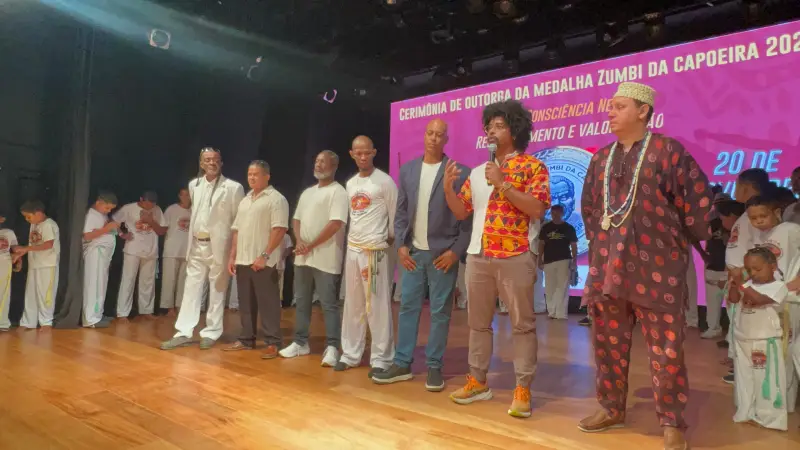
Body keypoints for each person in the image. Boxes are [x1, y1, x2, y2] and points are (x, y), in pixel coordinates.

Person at [578, 82, 712, 449]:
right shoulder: (600, 158)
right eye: (610, 106)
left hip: (659, 270)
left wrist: (680, 243)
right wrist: (603, 246)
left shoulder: (668, 151)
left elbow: (696, 204)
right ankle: (611, 408)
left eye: (619, 106)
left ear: (643, 111)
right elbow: (590, 207)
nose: (610, 112)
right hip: (608, 269)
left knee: (666, 351)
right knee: (606, 346)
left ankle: (671, 421)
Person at [443, 100, 551, 418]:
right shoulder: (479, 172)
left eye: (499, 126)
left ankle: (522, 388)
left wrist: (503, 183)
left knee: (522, 326)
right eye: (489, 126)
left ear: (515, 130)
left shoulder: (533, 167)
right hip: (479, 256)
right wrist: (448, 190)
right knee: (477, 324)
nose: (491, 131)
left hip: (516, 255)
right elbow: (461, 212)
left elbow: (537, 209)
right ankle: (477, 381)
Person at [372, 118, 471, 391]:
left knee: (440, 313)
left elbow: (467, 220)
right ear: (424, 135)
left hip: (443, 256)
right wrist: (401, 245)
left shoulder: (459, 172)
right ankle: (402, 363)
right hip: (413, 254)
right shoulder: (408, 170)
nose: (434, 138)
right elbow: (402, 212)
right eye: (430, 133)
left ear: (446, 139)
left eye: (440, 134)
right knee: (407, 308)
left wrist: (455, 252)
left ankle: (434, 366)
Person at [161, 147, 244, 350]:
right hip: (197, 243)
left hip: (219, 246)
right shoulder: (194, 185)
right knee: (190, 289)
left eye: (215, 159)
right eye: (207, 160)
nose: (211, 163)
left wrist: (234, 251)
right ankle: (183, 331)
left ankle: (212, 331)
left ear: (221, 162)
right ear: (201, 163)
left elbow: (239, 221)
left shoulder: (233, 187)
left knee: (217, 289)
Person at [336, 135, 398, 376]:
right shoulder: (350, 184)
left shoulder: (385, 182)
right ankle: (351, 354)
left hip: (375, 252)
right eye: (358, 153)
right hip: (353, 250)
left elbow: (394, 218)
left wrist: (384, 243)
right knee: (353, 305)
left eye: (367, 152)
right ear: (352, 154)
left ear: (374, 152)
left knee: (377, 305)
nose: (363, 156)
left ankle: (382, 357)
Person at [280, 150, 348, 366]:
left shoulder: (338, 192)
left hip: (326, 257)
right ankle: (300, 342)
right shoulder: (307, 192)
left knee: (328, 303)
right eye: (317, 161)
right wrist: (300, 241)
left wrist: (311, 245)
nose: (318, 165)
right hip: (303, 257)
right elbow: (296, 219)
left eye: (323, 162)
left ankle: (332, 346)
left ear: (334, 166)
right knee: (301, 301)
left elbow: (335, 224)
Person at [224, 160, 289, 358]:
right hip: (243, 259)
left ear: (267, 176)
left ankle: (273, 342)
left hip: (264, 261)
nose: (251, 177)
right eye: (249, 174)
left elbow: (279, 229)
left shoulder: (276, 199)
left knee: (268, 303)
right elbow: (236, 230)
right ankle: (246, 339)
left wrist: (265, 255)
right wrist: (232, 256)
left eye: (256, 174)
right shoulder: (245, 200)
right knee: (245, 303)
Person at [745, 194, 800, 412]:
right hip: (770, 299)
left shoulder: (790, 230)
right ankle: (779, 402)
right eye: (753, 218)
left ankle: (785, 401)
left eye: (763, 215)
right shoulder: (759, 237)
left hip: (789, 298)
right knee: (776, 351)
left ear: (776, 212)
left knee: (787, 349)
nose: (759, 221)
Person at [729, 247, 789, 431]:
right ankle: (746, 412)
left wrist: (742, 284)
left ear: (773, 266)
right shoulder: (747, 284)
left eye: (757, 269)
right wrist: (734, 284)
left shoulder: (778, 287)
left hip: (764, 341)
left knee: (765, 378)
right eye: (749, 269)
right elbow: (733, 299)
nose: (753, 273)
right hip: (743, 338)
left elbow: (760, 300)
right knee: (744, 378)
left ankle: (769, 418)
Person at [113, 191, 167, 321]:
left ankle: (146, 311)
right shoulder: (129, 208)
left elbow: (162, 231)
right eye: (147, 204)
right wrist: (122, 234)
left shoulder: (157, 210)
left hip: (150, 250)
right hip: (132, 249)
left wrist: (151, 221)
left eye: (152, 205)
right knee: (128, 281)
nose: (149, 207)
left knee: (148, 282)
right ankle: (122, 313)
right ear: (141, 199)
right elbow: (114, 221)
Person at [14, 201, 61, 331]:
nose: (27, 220)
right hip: (35, 264)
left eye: (28, 216)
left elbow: (48, 244)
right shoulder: (34, 225)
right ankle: (28, 321)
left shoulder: (49, 224)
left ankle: (46, 322)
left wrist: (26, 249)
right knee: (31, 294)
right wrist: (22, 252)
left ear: (38, 213)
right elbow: (33, 244)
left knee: (46, 293)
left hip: (48, 264)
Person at [82, 191, 119, 328]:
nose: (108, 211)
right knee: (95, 285)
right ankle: (91, 319)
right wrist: (107, 228)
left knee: (101, 285)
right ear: (98, 203)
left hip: (103, 255)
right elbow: (87, 235)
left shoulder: (101, 215)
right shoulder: (91, 214)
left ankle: (98, 314)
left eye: (111, 209)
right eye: (107, 207)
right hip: (95, 252)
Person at [700, 193, 732, 340]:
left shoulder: (735, 223)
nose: (720, 208)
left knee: (732, 303)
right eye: (718, 204)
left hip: (728, 268)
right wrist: (703, 254)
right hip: (713, 265)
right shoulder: (710, 222)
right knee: (712, 302)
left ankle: (732, 333)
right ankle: (713, 328)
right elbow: (697, 238)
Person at [538, 204, 577, 320]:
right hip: (548, 260)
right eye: (553, 213)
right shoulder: (546, 228)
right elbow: (541, 244)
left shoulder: (569, 228)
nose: (555, 215)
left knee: (562, 286)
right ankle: (552, 311)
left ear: (562, 213)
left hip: (564, 260)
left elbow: (574, 246)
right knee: (550, 287)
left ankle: (561, 313)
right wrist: (539, 259)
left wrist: (575, 260)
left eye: (557, 213)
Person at [160, 188, 192, 316]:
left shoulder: (194, 210)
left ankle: (180, 306)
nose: (186, 197)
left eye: (188, 195)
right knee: (169, 280)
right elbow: (163, 227)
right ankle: (169, 308)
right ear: (179, 196)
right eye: (183, 195)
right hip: (172, 250)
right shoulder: (171, 209)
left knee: (183, 281)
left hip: (187, 251)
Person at [0, 212, 22, 331]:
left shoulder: (8, 232)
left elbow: (15, 248)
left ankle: (2, 322)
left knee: (4, 293)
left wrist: (19, 261)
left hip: (4, 264)